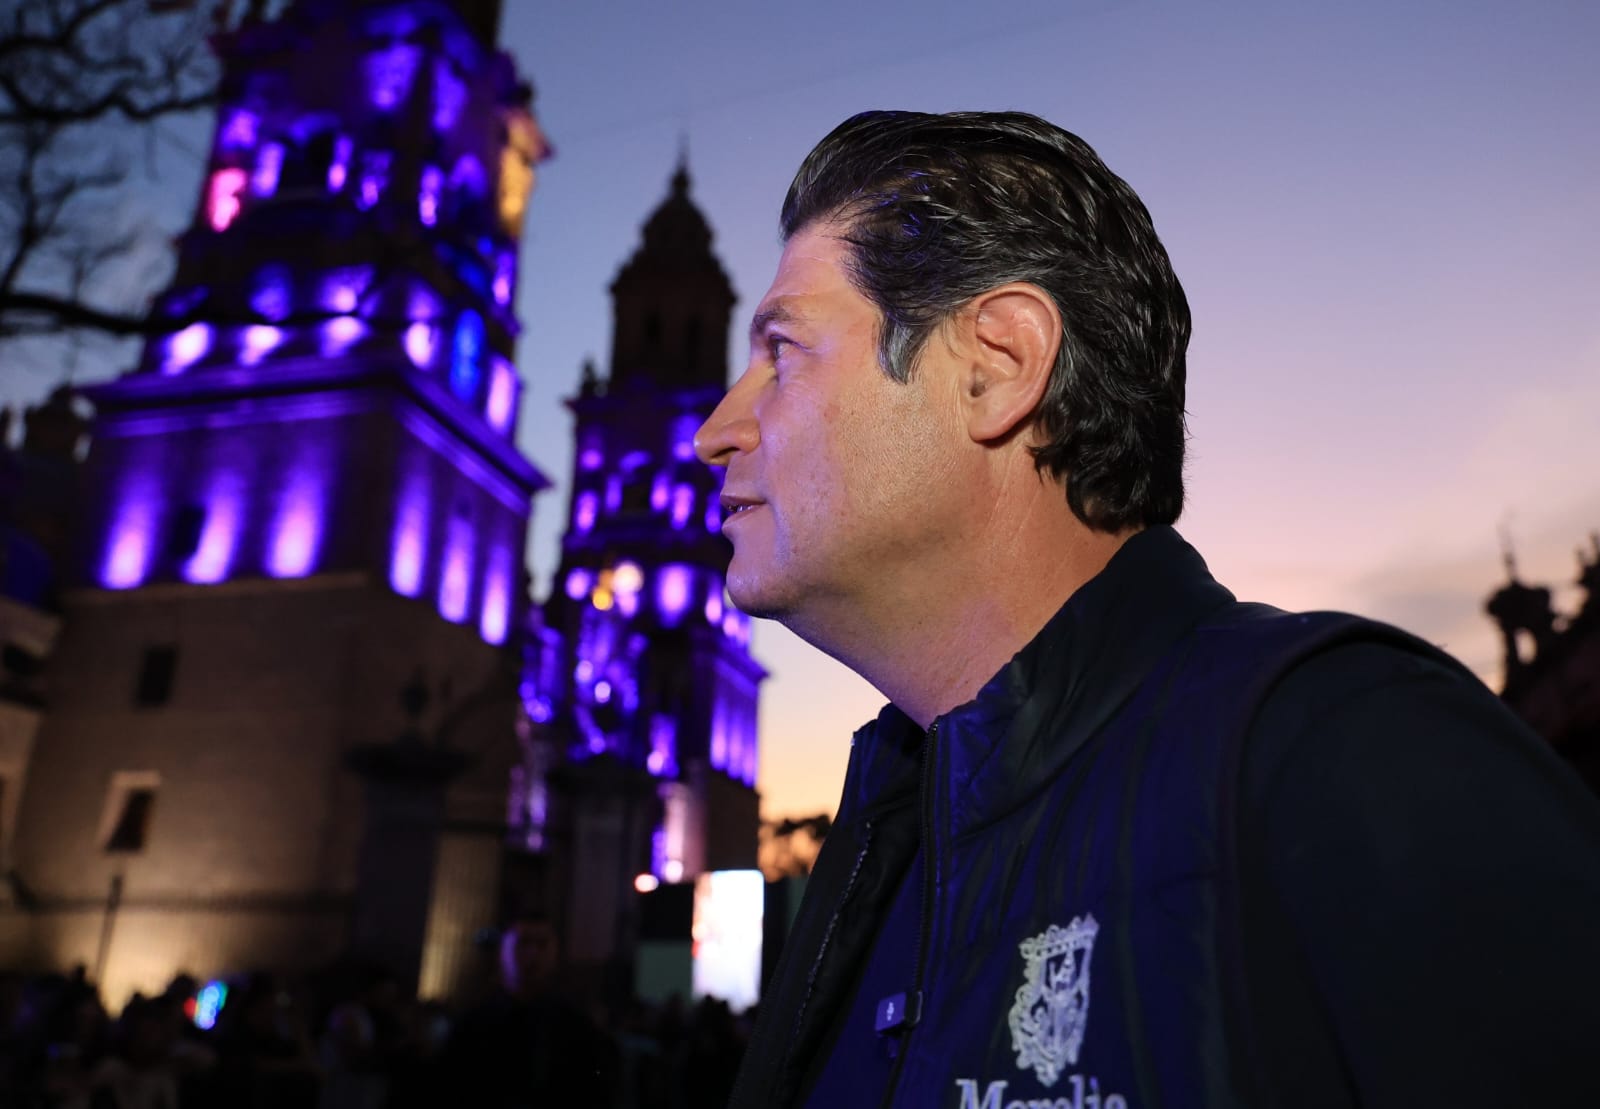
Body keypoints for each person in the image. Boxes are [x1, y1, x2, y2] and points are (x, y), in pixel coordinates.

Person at [694, 110, 1600, 1109]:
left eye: (782, 352)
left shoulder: (1342, 750)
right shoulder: (884, 840)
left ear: (997, 365)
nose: (715, 430)